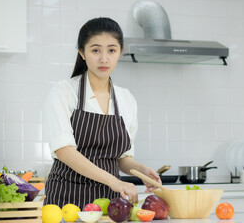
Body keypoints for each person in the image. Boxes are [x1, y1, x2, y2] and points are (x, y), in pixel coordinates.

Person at [42, 17, 162, 209]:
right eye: (96, 50)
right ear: (82, 52)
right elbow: (64, 151)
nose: (104, 58)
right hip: (67, 200)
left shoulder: (126, 99)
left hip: (111, 203)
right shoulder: (64, 92)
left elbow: (122, 158)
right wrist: (114, 181)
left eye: (112, 50)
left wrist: (141, 170)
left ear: (120, 52)